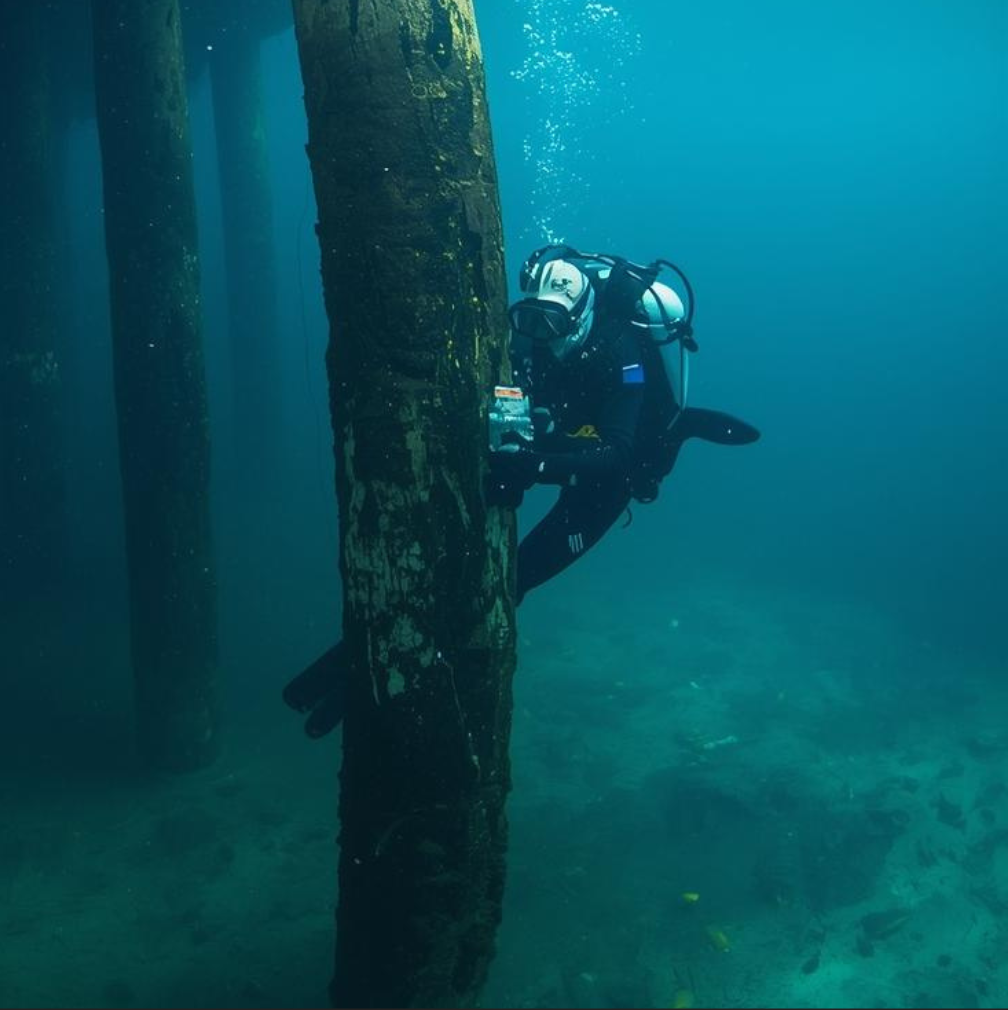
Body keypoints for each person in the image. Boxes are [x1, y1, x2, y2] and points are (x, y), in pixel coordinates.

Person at [282, 244, 759, 738]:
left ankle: (369, 687)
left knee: (510, 580)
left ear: (579, 317)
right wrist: (520, 451)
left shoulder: (620, 353)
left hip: (607, 480)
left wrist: (537, 464)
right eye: (529, 318)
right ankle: (351, 667)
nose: (537, 333)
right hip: (553, 452)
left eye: (550, 323)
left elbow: (616, 453)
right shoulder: (528, 341)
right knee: (455, 558)